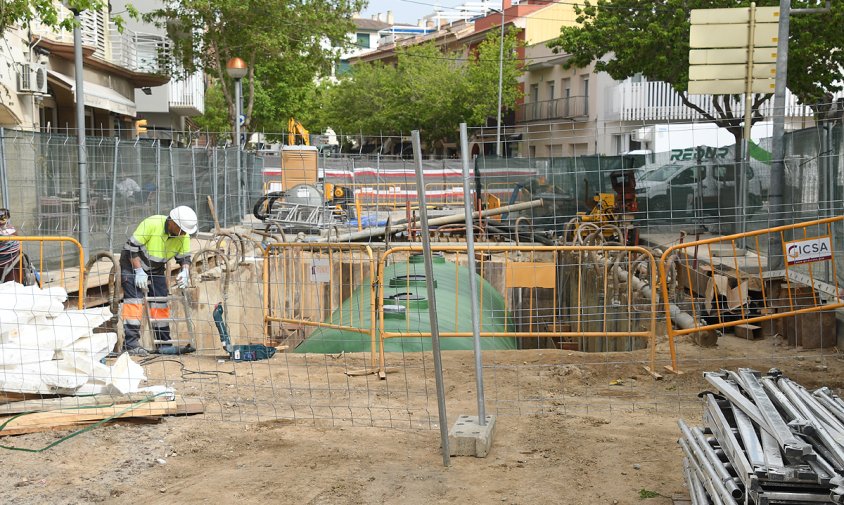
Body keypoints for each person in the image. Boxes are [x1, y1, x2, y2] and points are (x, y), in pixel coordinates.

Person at [120, 206, 198, 357]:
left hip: (155, 269)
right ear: (172, 223)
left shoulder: (183, 236)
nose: (183, 234)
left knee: (160, 303)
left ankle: (164, 344)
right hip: (132, 265)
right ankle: (130, 345)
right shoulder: (152, 223)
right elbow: (131, 248)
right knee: (134, 302)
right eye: (181, 229)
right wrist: (138, 270)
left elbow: (184, 258)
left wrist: (185, 271)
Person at [0, 209, 24, 283]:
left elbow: (15, 236)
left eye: (3, 217)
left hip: (12, 259)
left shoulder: (11, 228)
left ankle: (21, 279)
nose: (2, 219)